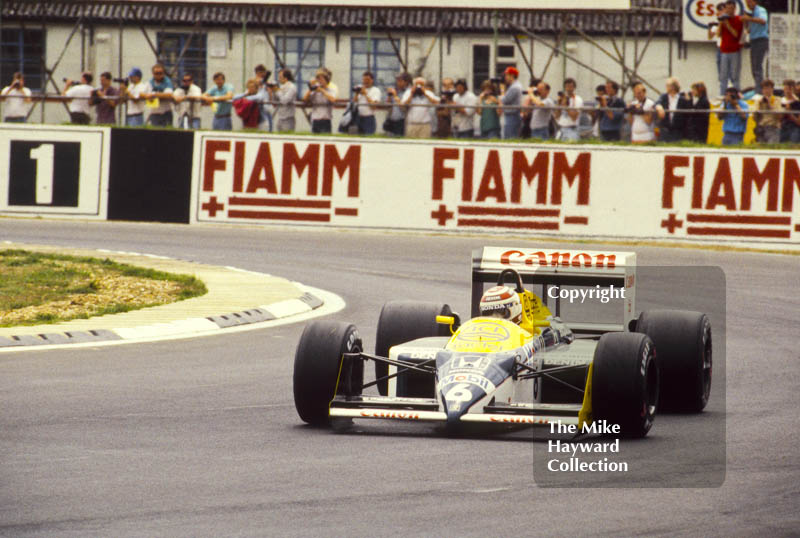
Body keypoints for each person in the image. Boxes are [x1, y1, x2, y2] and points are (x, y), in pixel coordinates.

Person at [716, 0, 743, 97]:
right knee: (723, 77)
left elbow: (736, 34)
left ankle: (735, 96)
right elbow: (718, 34)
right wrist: (720, 22)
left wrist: (727, 24)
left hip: (734, 51)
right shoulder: (723, 20)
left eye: (731, 8)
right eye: (727, 8)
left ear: (735, 9)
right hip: (724, 51)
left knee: (734, 76)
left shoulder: (738, 20)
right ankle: (723, 96)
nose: (729, 11)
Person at [741, 0, 769, 91]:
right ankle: (758, 87)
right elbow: (748, 30)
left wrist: (749, 19)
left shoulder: (760, 10)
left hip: (760, 39)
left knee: (757, 66)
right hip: (753, 40)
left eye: (750, 2)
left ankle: (759, 90)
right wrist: (745, 21)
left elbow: (763, 21)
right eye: (747, 3)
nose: (748, 4)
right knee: (754, 66)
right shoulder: (751, 13)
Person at [655, 77, 691, 142]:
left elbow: (688, 115)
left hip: (678, 132)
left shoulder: (682, 99)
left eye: (668, 85)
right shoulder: (664, 97)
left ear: (673, 87)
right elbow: (657, 102)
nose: (666, 87)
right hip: (665, 131)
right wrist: (659, 107)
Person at [303, 69, 337, 133]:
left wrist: (322, 90)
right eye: (318, 79)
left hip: (326, 120)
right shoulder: (315, 90)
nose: (319, 81)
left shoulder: (331, 90)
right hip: (315, 120)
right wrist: (310, 88)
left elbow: (333, 99)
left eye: (321, 79)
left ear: (326, 80)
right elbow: (305, 99)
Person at [753, 79, 782, 143]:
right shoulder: (758, 100)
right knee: (761, 149)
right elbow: (754, 118)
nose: (767, 91)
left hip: (773, 127)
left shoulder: (777, 99)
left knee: (772, 149)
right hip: (761, 128)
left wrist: (769, 105)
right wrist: (760, 106)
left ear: (772, 89)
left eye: (768, 89)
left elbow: (779, 116)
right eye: (765, 89)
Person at [353, 71, 381, 135]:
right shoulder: (361, 89)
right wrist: (357, 93)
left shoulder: (375, 90)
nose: (365, 82)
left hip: (369, 119)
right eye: (364, 80)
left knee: (368, 137)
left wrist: (365, 94)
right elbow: (354, 102)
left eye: (367, 80)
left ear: (372, 80)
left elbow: (374, 106)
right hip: (359, 118)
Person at [269, 68, 297, 132]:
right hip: (280, 117)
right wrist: (273, 91)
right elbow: (274, 102)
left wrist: (278, 91)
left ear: (286, 78)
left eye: (280, 77)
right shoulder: (281, 87)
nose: (279, 79)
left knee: (287, 139)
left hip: (288, 118)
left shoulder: (292, 87)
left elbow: (285, 101)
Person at [384, 72, 411, 136]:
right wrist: (389, 96)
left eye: (400, 81)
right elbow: (387, 105)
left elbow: (404, 108)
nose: (398, 83)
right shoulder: (394, 90)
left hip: (401, 121)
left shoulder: (408, 92)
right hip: (391, 120)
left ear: (406, 82)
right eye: (397, 80)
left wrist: (395, 96)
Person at [499, 66, 522, 139]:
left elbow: (504, 100)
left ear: (512, 76)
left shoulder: (515, 87)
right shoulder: (514, 86)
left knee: (510, 138)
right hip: (511, 115)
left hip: (512, 116)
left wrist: (502, 90)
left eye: (506, 75)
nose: (505, 77)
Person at [254, 64, 274, 131]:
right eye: (262, 72)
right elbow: (258, 83)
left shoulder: (266, 83)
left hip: (267, 107)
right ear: (258, 73)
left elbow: (270, 95)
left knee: (270, 127)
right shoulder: (255, 81)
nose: (263, 74)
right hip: (259, 107)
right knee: (263, 126)